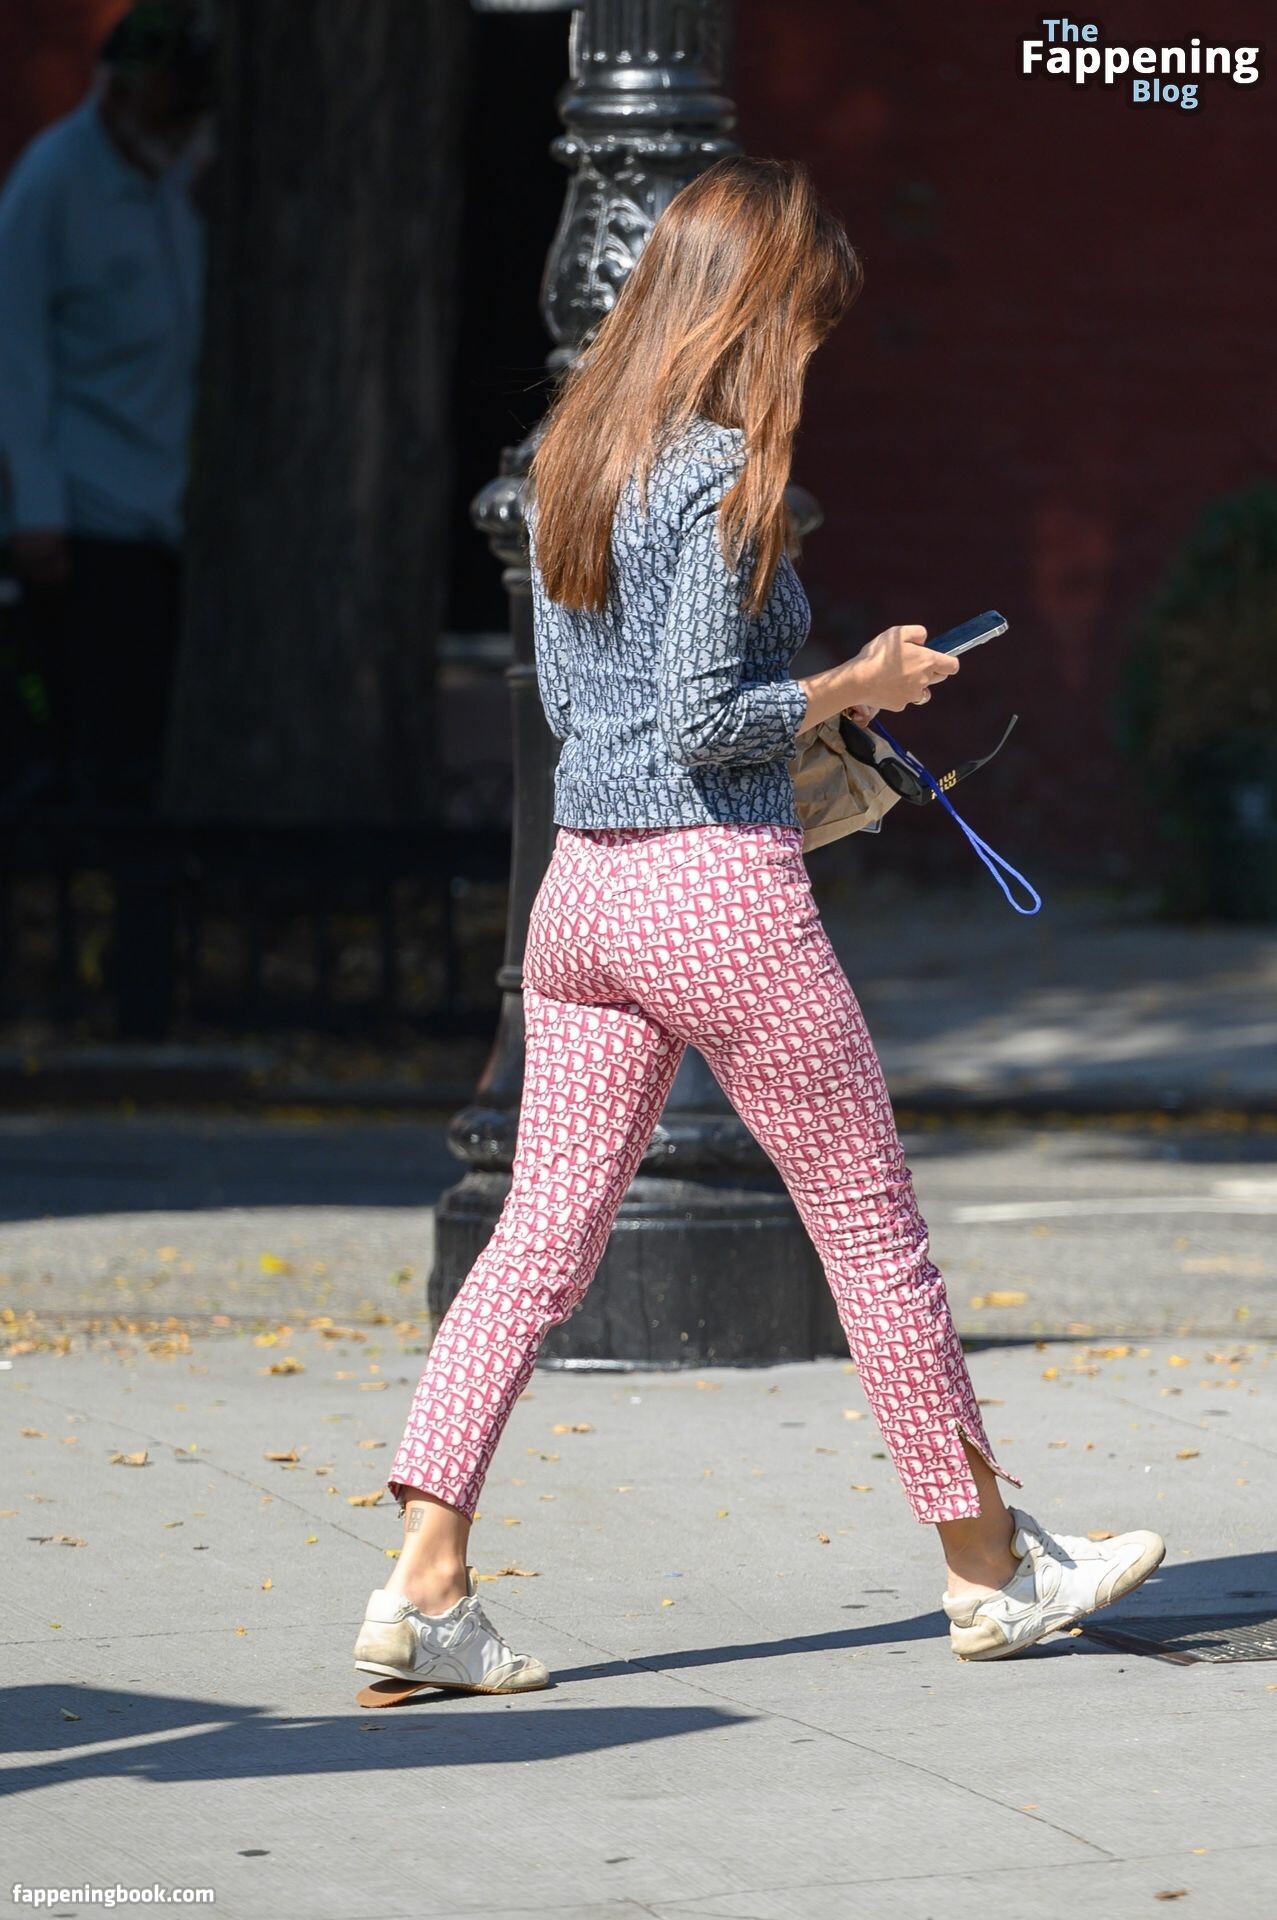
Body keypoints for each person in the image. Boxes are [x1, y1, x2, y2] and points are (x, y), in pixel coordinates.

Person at [354, 156, 1164, 1696]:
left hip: (582, 892)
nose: (810, 354)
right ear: (752, 312)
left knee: (533, 1244)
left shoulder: (577, 452)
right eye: (806, 322)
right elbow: (701, 720)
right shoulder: (716, 472)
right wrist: (860, 684)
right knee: (872, 1236)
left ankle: (423, 1584)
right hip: (712, 891)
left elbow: (603, 709)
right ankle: (988, 1571)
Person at [0, 2, 214, 810]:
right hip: (90, 510)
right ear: (121, 92)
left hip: (169, 504)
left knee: (155, 729)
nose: (182, 126)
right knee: (99, 738)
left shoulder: (180, 176)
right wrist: (37, 511)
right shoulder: (54, 183)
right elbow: (15, 357)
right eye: (168, 105)